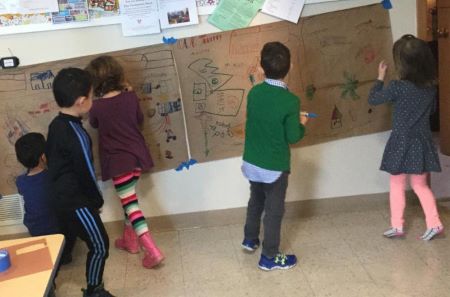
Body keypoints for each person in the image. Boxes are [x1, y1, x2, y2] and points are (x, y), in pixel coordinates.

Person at [86, 55, 164, 269]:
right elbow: (139, 120)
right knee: (128, 201)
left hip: (118, 162)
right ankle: (130, 241)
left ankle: (151, 249)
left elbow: (93, 124)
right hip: (138, 157)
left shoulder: (97, 106)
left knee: (131, 204)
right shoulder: (130, 97)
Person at [46, 67, 114, 297]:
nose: (93, 100)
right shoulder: (76, 133)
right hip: (76, 201)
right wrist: (96, 200)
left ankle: (49, 285)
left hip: (59, 198)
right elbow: (85, 171)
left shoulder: (56, 125)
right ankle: (94, 290)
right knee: (100, 244)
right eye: (93, 96)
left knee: (66, 243)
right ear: (82, 101)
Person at [368, 34, 443, 241]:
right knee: (420, 185)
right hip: (421, 141)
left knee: (396, 183)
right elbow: (432, 111)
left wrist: (380, 77)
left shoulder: (397, 87)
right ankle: (433, 223)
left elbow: (373, 98)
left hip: (401, 141)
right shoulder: (430, 89)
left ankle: (398, 225)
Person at [241, 42, 308, 271]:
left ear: (261, 67)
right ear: (290, 67)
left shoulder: (255, 92)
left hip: (251, 161)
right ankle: (269, 256)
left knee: (255, 200)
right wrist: (301, 123)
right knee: (274, 211)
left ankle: (250, 239)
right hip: (274, 167)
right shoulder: (290, 101)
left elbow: (261, 120)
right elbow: (293, 137)